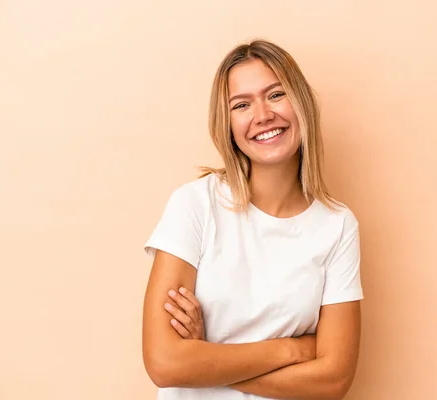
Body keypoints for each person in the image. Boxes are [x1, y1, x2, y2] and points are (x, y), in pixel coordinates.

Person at [141, 39, 363, 400]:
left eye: (276, 95)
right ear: (227, 123)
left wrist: (206, 358)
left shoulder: (337, 225)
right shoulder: (195, 204)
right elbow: (165, 364)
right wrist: (294, 350)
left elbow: (333, 380)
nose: (262, 115)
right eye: (241, 104)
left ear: (301, 103)